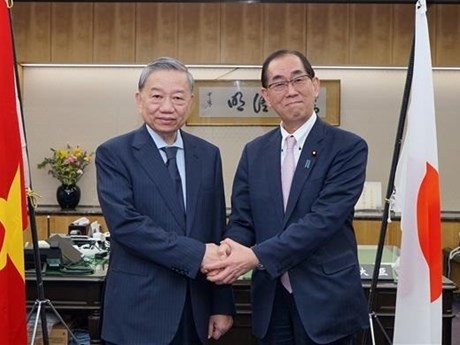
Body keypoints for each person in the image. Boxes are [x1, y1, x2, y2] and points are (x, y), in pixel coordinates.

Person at [203, 50, 370, 345]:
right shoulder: (255, 152)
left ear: (315, 85)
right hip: (271, 301)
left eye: (298, 79)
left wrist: (255, 256)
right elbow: (243, 220)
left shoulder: (348, 148)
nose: (290, 90)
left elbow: (322, 221)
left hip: (326, 301)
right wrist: (228, 250)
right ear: (266, 96)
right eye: (279, 84)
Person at [96, 57, 234, 345]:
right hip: (138, 312)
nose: (167, 107)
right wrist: (195, 254)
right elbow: (127, 226)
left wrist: (221, 305)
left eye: (178, 97)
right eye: (157, 96)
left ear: (191, 102)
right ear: (139, 99)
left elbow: (216, 230)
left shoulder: (208, 155)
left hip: (195, 311)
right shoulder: (114, 153)